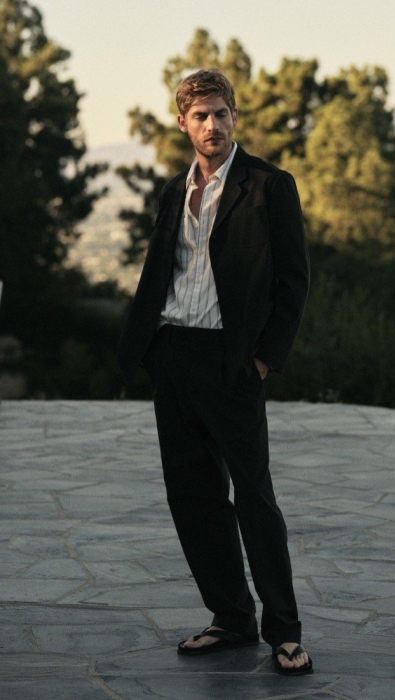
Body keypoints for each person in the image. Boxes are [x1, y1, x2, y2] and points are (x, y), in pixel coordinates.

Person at [117, 69, 311, 675]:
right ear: (183, 123)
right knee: (193, 496)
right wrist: (149, 350)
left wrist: (262, 359)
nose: (213, 125)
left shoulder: (269, 186)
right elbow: (160, 271)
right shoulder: (173, 191)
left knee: (254, 497)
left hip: (232, 361)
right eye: (200, 116)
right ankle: (231, 618)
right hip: (173, 354)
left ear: (234, 116)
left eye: (221, 113)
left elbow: (293, 281)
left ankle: (285, 631)